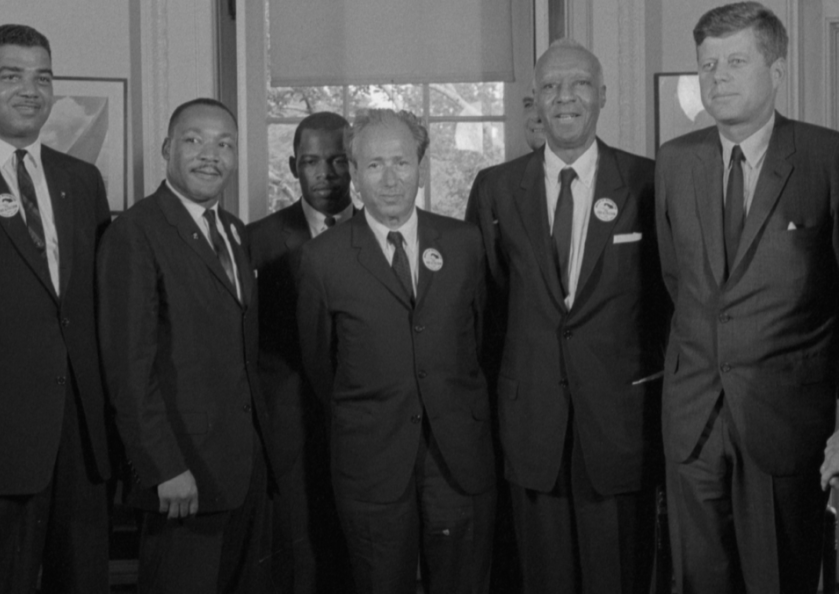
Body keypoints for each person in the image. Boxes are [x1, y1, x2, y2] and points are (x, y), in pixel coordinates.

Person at [465, 39, 668, 594]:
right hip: (531, 426)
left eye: (578, 83)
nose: (565, 97)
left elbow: (664, 308)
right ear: (534, 100)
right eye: (551, 86)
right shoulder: (496, 189)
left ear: (602, 95)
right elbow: (487, 311)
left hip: (620, 427)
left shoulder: (650, 182)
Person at [657, 3, 839, 592]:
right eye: (707, 65)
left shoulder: (826, 157)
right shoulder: (675, 162)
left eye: (736, 61)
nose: (718, 77)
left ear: (777, 71)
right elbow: (675, 280)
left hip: (784, 423)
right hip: (694, 425)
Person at [0, 24, 111, 593]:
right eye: (11, 75)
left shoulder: (82, 181)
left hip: (79, 441)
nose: (30, 90)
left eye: (42, 77)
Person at [296, 109, 496, 594]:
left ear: (421, 167)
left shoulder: (465, 243)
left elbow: (482, 339)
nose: (390, 179)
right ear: (355, 173)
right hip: (371, 464)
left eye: (402, 164)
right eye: (375, 165)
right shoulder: (322, 259)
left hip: (456, 461)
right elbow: (320, 365)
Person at [97, 98, 276, 594]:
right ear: (166, 149)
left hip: (242, 468)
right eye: (194, 140)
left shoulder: (236, 232)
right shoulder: (136, 232)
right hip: (183, 472)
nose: (209, 155)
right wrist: (163, 467)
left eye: (224, 144)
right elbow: (128, 367)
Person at [248, 111, 354, 594]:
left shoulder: (382, 233)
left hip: (367, 433)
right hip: (289, 433)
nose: (325, 174)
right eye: (311, 161)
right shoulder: (259, 240)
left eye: (337, 160)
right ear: (293, 166)